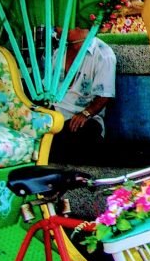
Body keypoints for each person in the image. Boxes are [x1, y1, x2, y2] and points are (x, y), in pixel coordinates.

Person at [50, 27, 116, 164]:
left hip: (82, 118)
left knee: (84, 134)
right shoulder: (59, 51)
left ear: (79, 26)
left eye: (62, 24)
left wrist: (86, 113)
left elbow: (105, 94)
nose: (57, 28)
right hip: (54, 114)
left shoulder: (103, 54)